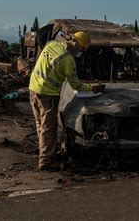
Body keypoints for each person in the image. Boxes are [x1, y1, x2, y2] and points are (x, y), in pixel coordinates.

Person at [29, 31, 104, 171]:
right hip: (48, 94)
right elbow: (75, 84)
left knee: (40, 124)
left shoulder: (52, 44)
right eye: (82, 49)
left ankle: (46, 152)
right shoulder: (68, 60)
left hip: (33, 88)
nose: (81, 52)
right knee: (49, 128)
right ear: (76, 44)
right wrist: (93, 88)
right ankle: (46, 161)